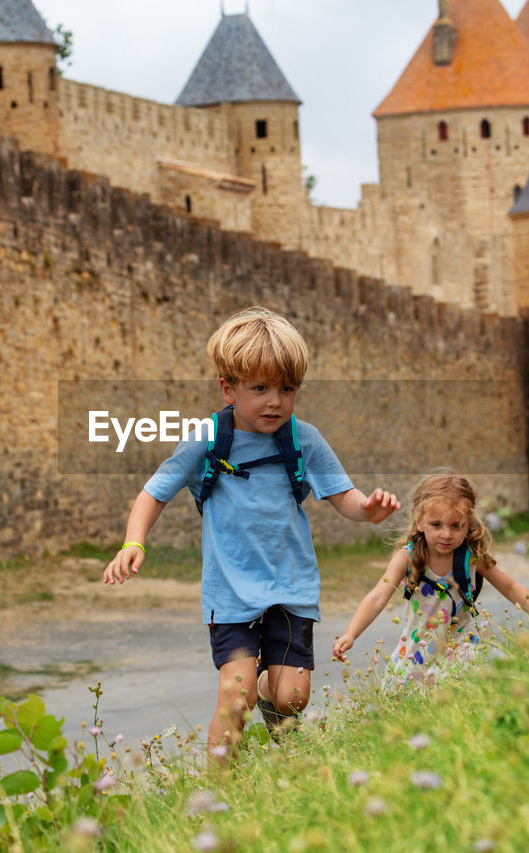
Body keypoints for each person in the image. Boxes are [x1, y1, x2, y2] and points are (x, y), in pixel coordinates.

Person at [101, 307, 400, 762]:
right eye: (259, 388)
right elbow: (152, 493)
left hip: (291, 587)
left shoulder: (304, 440)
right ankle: (219, 796)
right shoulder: (206, 439)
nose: (274, 401)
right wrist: (133, 542)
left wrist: (370, 511)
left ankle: (270, 689)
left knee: (290, 699)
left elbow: (345, 498)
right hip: (231, 591)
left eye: (286, 388)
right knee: (233, 695)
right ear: (229, 387)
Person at [332, 471, 529, 686]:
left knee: (455, 690)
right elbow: (377, 596)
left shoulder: (470, 558)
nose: (446, 534)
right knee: (404, 700)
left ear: (467, 525)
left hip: (462, 646)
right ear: (419, 522)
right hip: (417, 648)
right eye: (436, 525)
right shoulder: (407, 557)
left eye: (456, 526)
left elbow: (510, 586)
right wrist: (350, 634)